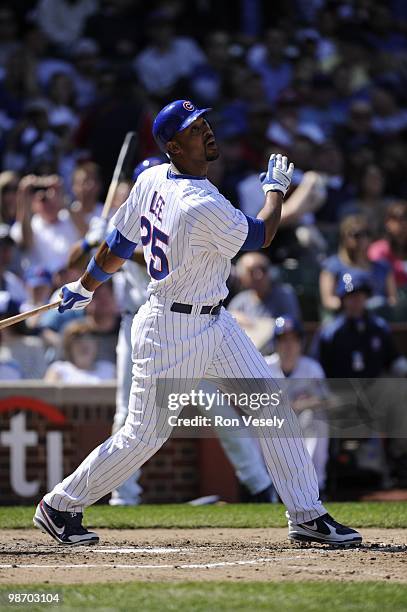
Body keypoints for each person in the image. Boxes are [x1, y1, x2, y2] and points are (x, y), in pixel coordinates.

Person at [33, 99, 361, 547]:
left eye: (204, 123)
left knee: (271, 405)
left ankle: (307, 514)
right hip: (171, 329)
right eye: (193, 129)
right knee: (142, 436)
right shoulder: (199, 202)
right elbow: (262, 234)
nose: (206, 131)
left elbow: (116, 245)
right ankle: (59, 505)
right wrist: (276, 190)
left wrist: (86, 285)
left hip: (215, 320)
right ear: (172, 146)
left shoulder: (150, 179)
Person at [265, 316, 329, 492]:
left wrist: (302, 404)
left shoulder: (311, 367)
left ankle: (314, 485)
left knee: (317, 421)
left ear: (301, 343)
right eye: (283, 339)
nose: (288, 345)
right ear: (275, 343)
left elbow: (325, 400)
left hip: (301, 422)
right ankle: (264, 487)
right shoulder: (264, 366)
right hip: (274, 424)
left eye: (293, 339)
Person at [319, 214, 397, 314]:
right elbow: (328, 300)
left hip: (378, 319)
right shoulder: (332, 266)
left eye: (366, 234)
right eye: (356, 234)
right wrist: (356, 305)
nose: (362, 239)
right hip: (346, 320)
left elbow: (392, 299)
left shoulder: (383, 267)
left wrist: (380, 304)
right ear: (344, 237)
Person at [45, 319, 115, 383]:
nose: (84, 344)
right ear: (69, 346)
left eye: (89, 339)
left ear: (96, 344)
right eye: (78, 340)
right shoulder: (58, 370)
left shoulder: (109, 369)